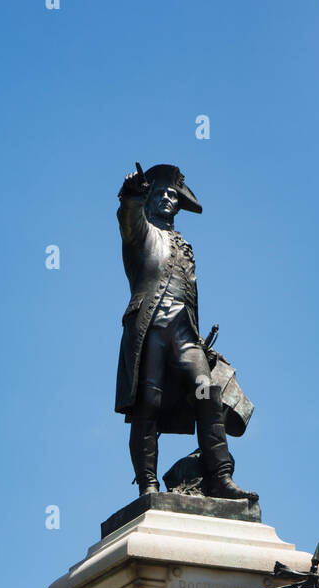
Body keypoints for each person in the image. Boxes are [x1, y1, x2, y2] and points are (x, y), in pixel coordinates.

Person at [115, 162, 258, 502]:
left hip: (184, 333)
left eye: (172, 194)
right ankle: (147, 483)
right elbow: (128, 216)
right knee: (148, 403)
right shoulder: (141, 233)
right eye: (160, 193)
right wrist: (132, 194)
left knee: (207, 391)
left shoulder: (185, 245)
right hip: (150, 328)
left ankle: (221, 475)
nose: (167, 198)